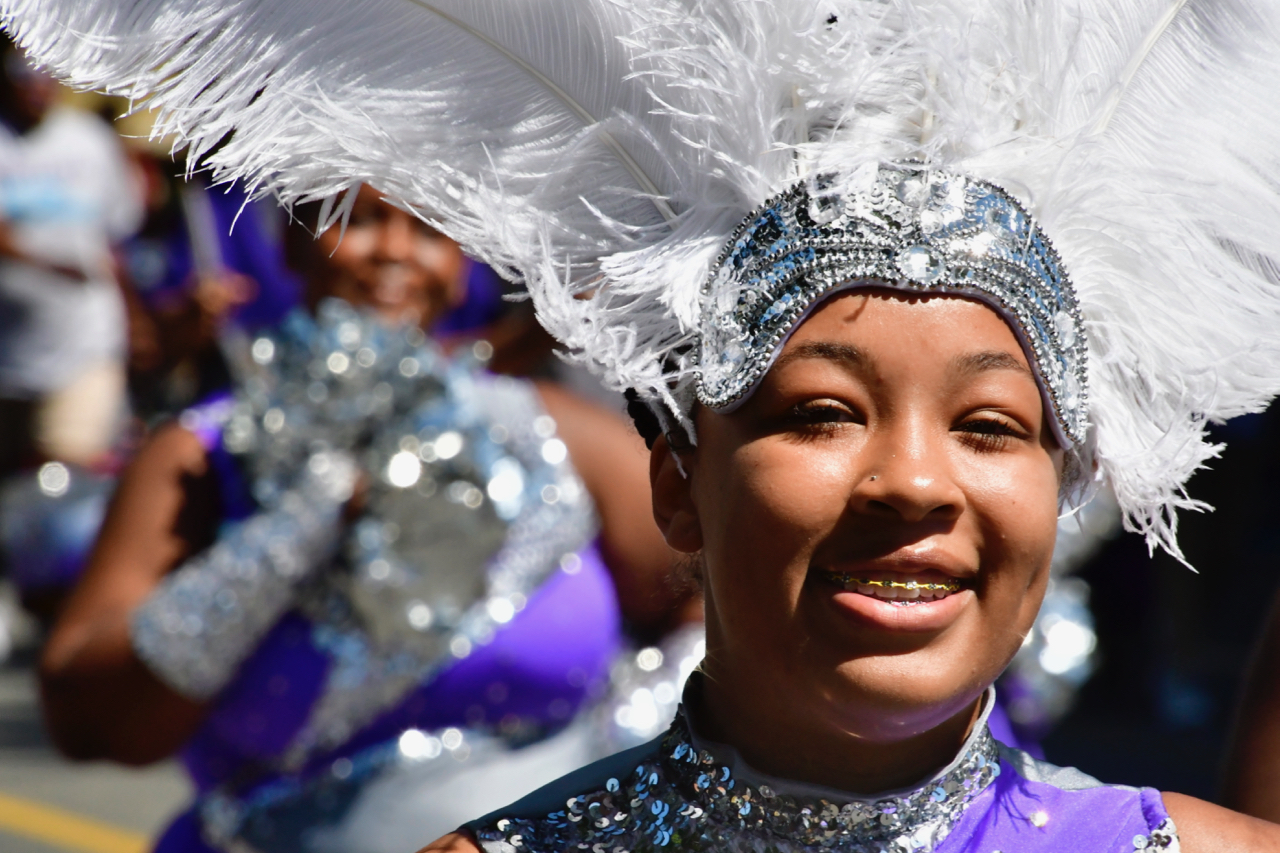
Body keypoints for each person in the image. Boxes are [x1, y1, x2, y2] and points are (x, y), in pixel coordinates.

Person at [12, 0, 1280, 851]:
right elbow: (94, 716)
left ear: (1063, 484)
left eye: (991, 426)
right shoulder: (209, 452)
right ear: (681, 479)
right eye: (821, 411)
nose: (911, 479)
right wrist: (307, 518)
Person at [37, 183, 691, 853]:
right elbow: (90, 718)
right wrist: (294, 530)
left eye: (430, 231)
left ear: (462, 261)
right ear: (291, 242)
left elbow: (715, 602)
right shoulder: (205, 454)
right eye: (360, 221)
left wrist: (616, 762)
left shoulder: (554, 434)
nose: (395, 253)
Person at [0, 34, 142, 476]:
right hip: (11, 357)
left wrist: (136, 314)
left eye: (46, 72)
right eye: (23, 74)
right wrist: (47, 264)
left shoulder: (90, 142)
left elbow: (114, 240)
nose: (36, 84)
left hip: (87, 344)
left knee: (64, 478)